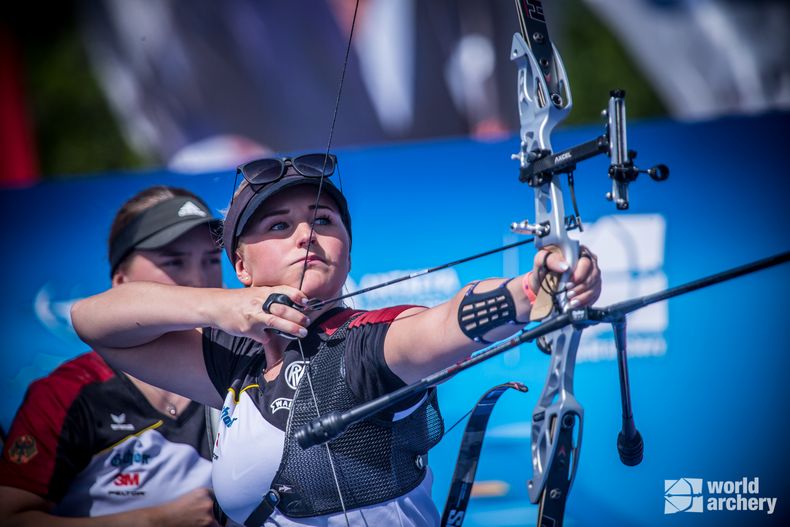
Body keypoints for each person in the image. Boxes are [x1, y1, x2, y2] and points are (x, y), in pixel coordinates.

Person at [70, 154, 602, 526]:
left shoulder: (365, 348)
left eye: (322, 220)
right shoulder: (234, 360)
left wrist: (533, 289)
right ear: (241, 265)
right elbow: (94, 321)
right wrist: (224, 308)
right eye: (278, 227)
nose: (305, 234)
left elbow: (440, 325)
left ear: (345, 251)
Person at [0, 186, 224, 526]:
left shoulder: (247, 374)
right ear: (121, 282)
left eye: (211, 260)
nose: (198, 279)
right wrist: (154, 521)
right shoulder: (68, 392)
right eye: (174, 261)